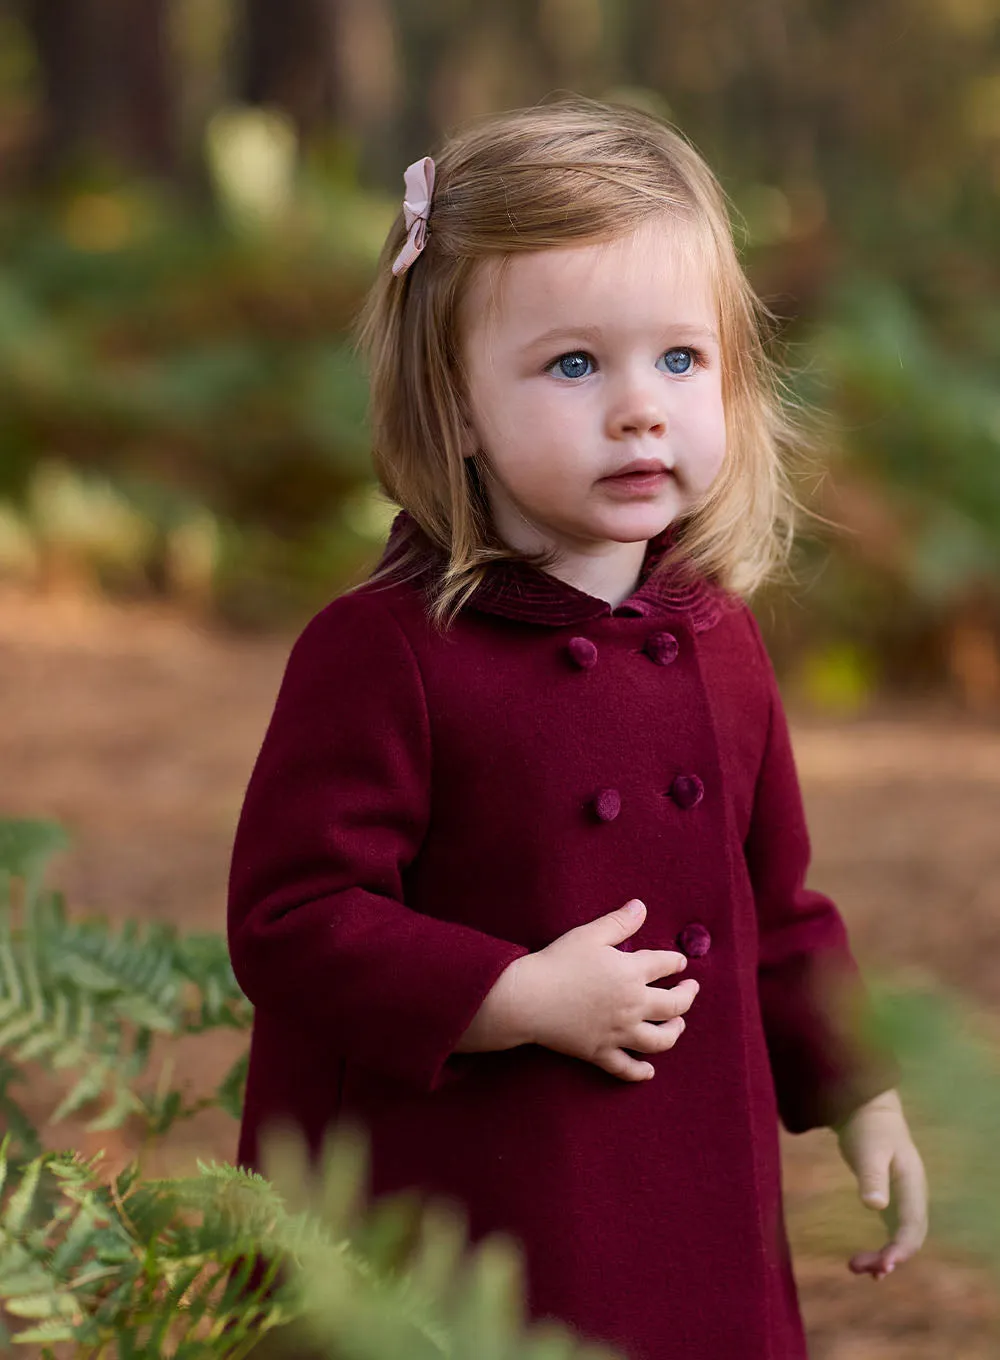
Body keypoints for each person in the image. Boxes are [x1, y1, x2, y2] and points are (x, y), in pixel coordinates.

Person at [227, 94, 928, 1360]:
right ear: (453, 407)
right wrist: (512, 992)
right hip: (464, 1207)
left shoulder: (718, 639)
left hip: (694, 1200)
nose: (638, 408)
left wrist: (855, 1086)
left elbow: (777, 907)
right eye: (571, 364)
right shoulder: (384, 651)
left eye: (679, 358)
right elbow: (294, 917)